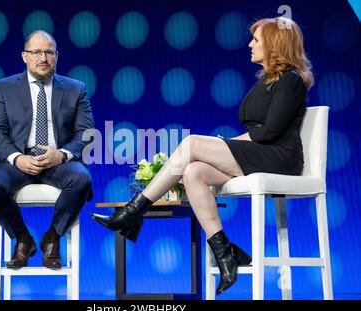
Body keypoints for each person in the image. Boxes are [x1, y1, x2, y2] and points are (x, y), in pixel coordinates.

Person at [91, 17, 313, 295]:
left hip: (280, 159)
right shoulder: (265, 81)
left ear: (275, 44)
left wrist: (222, 146)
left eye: (256, 40)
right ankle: (225, 253)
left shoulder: (290, 80)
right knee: (193, 170)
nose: (250, 44)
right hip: (259, 153)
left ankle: (134, 212)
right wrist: (224, 147)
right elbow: (256, 132)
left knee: (192, 143)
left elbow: (269, 133)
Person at [0, 30, 94, 270]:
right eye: (36, 52)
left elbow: (86, 132)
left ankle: (52, 238)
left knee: (81, 179)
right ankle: (23, 239)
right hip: (18, 163)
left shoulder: (76, 89)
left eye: (49, 52)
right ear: (24, 56)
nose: (43, 57)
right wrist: (16, 157)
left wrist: (61, 154)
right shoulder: (4, 87)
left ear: (56, 56)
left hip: (58, 162)